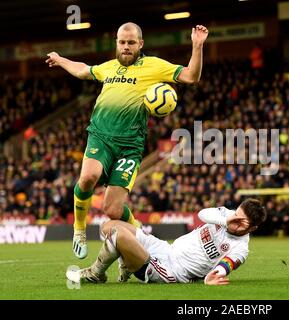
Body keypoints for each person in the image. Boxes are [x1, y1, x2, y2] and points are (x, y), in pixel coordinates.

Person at [45, 23, 209, 260]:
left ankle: (138, 237)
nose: (126, 47)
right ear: (117, 43)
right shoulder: (109, 68)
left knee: (111, 209)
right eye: (122, 42)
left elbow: (191, 76)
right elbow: (83, 70)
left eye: (131, 43)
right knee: (88, 177)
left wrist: (197, 46)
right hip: (100, 136)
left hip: (130, 146)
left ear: (140, 44)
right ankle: (79, 229)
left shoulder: (154, 65)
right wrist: (61, 60)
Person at [66, 198, 267, 285]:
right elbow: (202, 213)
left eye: (242, 223)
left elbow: (224, 267)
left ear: (252, 229)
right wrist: (226, 219)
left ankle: (95, 274)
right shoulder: (226, 215)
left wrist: (214, 276)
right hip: (165, 249)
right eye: (236, 215)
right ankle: (126, 264)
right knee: (108, 226)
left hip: (171, 271)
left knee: (119, 234)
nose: (235, 222)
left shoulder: (240, 249)